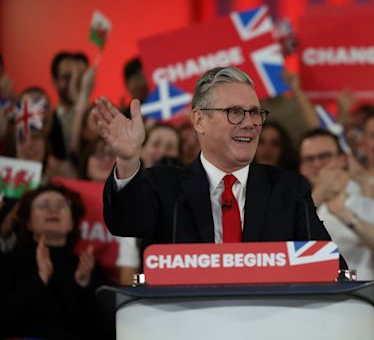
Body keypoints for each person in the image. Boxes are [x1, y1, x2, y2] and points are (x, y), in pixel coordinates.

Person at [94, 67, 331, 244]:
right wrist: (127, 159)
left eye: (255, 113)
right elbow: (125, 222)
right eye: (235, 112)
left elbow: (329, 268)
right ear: (199, 120)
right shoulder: (165, 187)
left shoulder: (289, 190)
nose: (250, 124)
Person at [0, 184, 109, 339]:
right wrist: (39, 279)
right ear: (28, 223)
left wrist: (84, 286)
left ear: (72, 223)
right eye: (43, 205)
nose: (53, 210)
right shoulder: (9, 262)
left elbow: (105, 330)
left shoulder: (88, 266)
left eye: (62, 205)